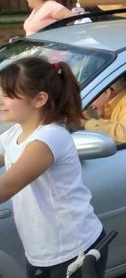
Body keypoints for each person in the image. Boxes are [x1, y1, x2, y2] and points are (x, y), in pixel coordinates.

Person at [0, 57, 106, 278]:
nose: (0, 101)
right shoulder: (15, 133)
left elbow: (4, 189)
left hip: (74, 250)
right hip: (41, 252)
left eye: (8, 95)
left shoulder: (49, 138)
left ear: (39, 99)